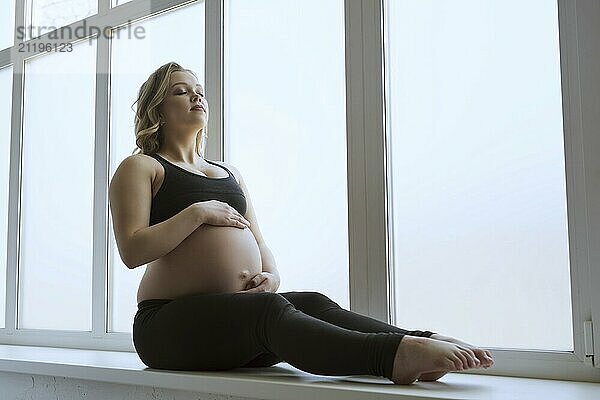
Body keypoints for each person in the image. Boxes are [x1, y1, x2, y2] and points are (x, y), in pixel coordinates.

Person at [108, 61, 494, 385]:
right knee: (269, 314)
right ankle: (395, 356)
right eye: (180, 91)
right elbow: (132, 250)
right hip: (168, 327)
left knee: (310, 301)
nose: (196, 96)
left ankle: (414, 339)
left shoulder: (229, 173)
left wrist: (271, 275)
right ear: (158, 110)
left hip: (233, 324)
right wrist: (197, 213)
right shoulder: (141, 167)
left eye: (199, 90)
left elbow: (258, 240)